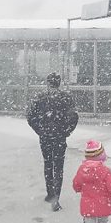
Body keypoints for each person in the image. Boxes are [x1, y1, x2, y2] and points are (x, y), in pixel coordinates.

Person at [26, 71, 78, 211]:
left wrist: (40, 130)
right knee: (58, 166)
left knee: (48, 163)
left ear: (48, 83)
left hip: (45, 137)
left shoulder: (40, 97)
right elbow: (74, 117)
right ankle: (56, 198)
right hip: (60, 137)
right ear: (59, 83)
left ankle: (50, 193)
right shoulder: (66, 98)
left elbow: (30, 116)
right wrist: (66, 131)